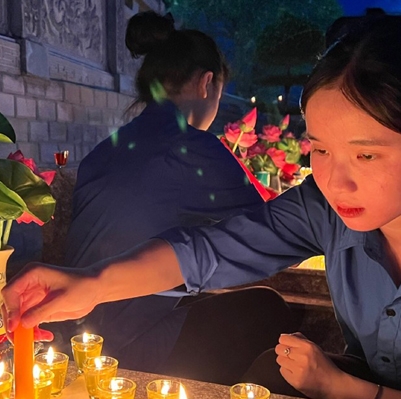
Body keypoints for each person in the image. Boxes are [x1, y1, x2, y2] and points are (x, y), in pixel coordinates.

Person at [3, 16, 401, 399]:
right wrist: (93, 283)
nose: (335, 179)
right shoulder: (328, 209)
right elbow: (214, 248)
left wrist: (347, 391)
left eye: (366, 153)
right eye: (319, 148)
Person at [56, 11, 277, 375]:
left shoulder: (105, 149)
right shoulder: (193, 146)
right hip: (128, 344)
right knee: (265, 309)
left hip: (77, 336)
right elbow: (271, 229)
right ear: (207, 84)